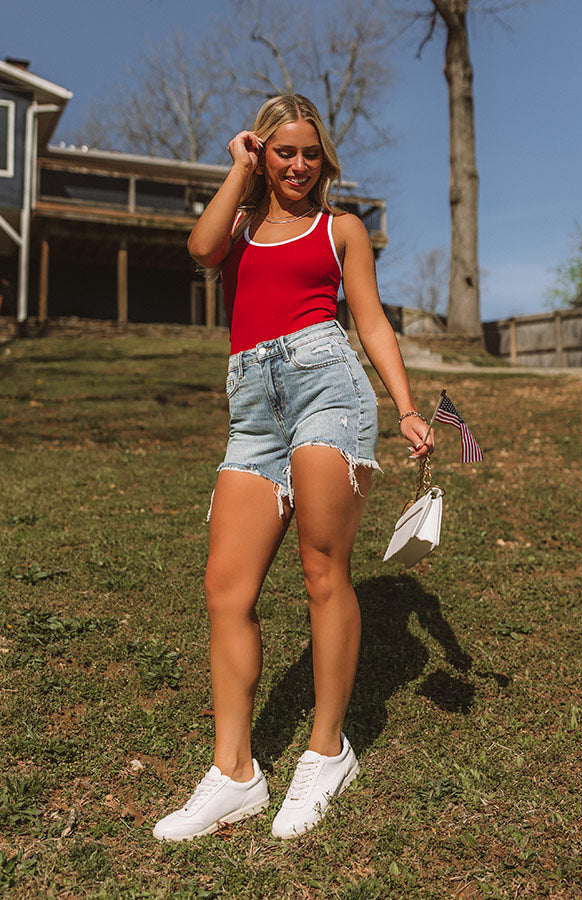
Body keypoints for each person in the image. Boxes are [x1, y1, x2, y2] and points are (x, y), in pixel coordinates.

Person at [153, 93, 433, 842]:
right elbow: (200, 248)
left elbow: (370, 320)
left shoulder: (340, 230)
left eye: (311, 153)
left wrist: (406, 406)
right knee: (226, 590)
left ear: (324, 159)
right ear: (262, 153)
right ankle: (235, 773)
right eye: (284, 152)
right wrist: (238, 167)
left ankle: (326, 752)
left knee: (321, 569)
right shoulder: (239, 227)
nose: (299, 165)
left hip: (327, 391)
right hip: (252, 408)